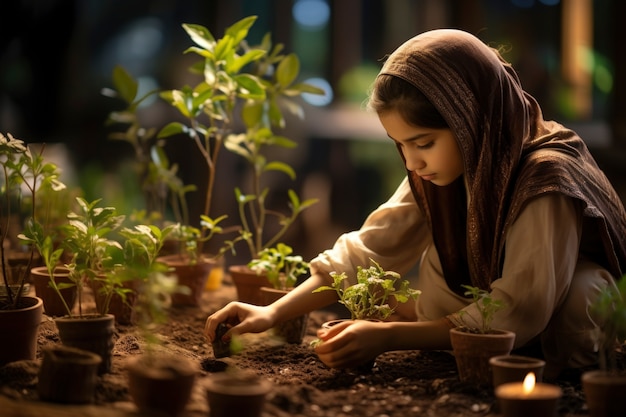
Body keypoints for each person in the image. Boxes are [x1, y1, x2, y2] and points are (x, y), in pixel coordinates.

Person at [205, 28, 626, 379]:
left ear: (470, 120)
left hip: (553, 337)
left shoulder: (545, 177)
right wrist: (271, 313)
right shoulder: (448, 167)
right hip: (474, 326)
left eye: (423, 143)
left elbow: (520, 310)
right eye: (401, 145)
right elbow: (367, 252)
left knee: (581, 298)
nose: (412, 161)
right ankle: (448, 341)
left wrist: (388, 337)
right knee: (437, 265)